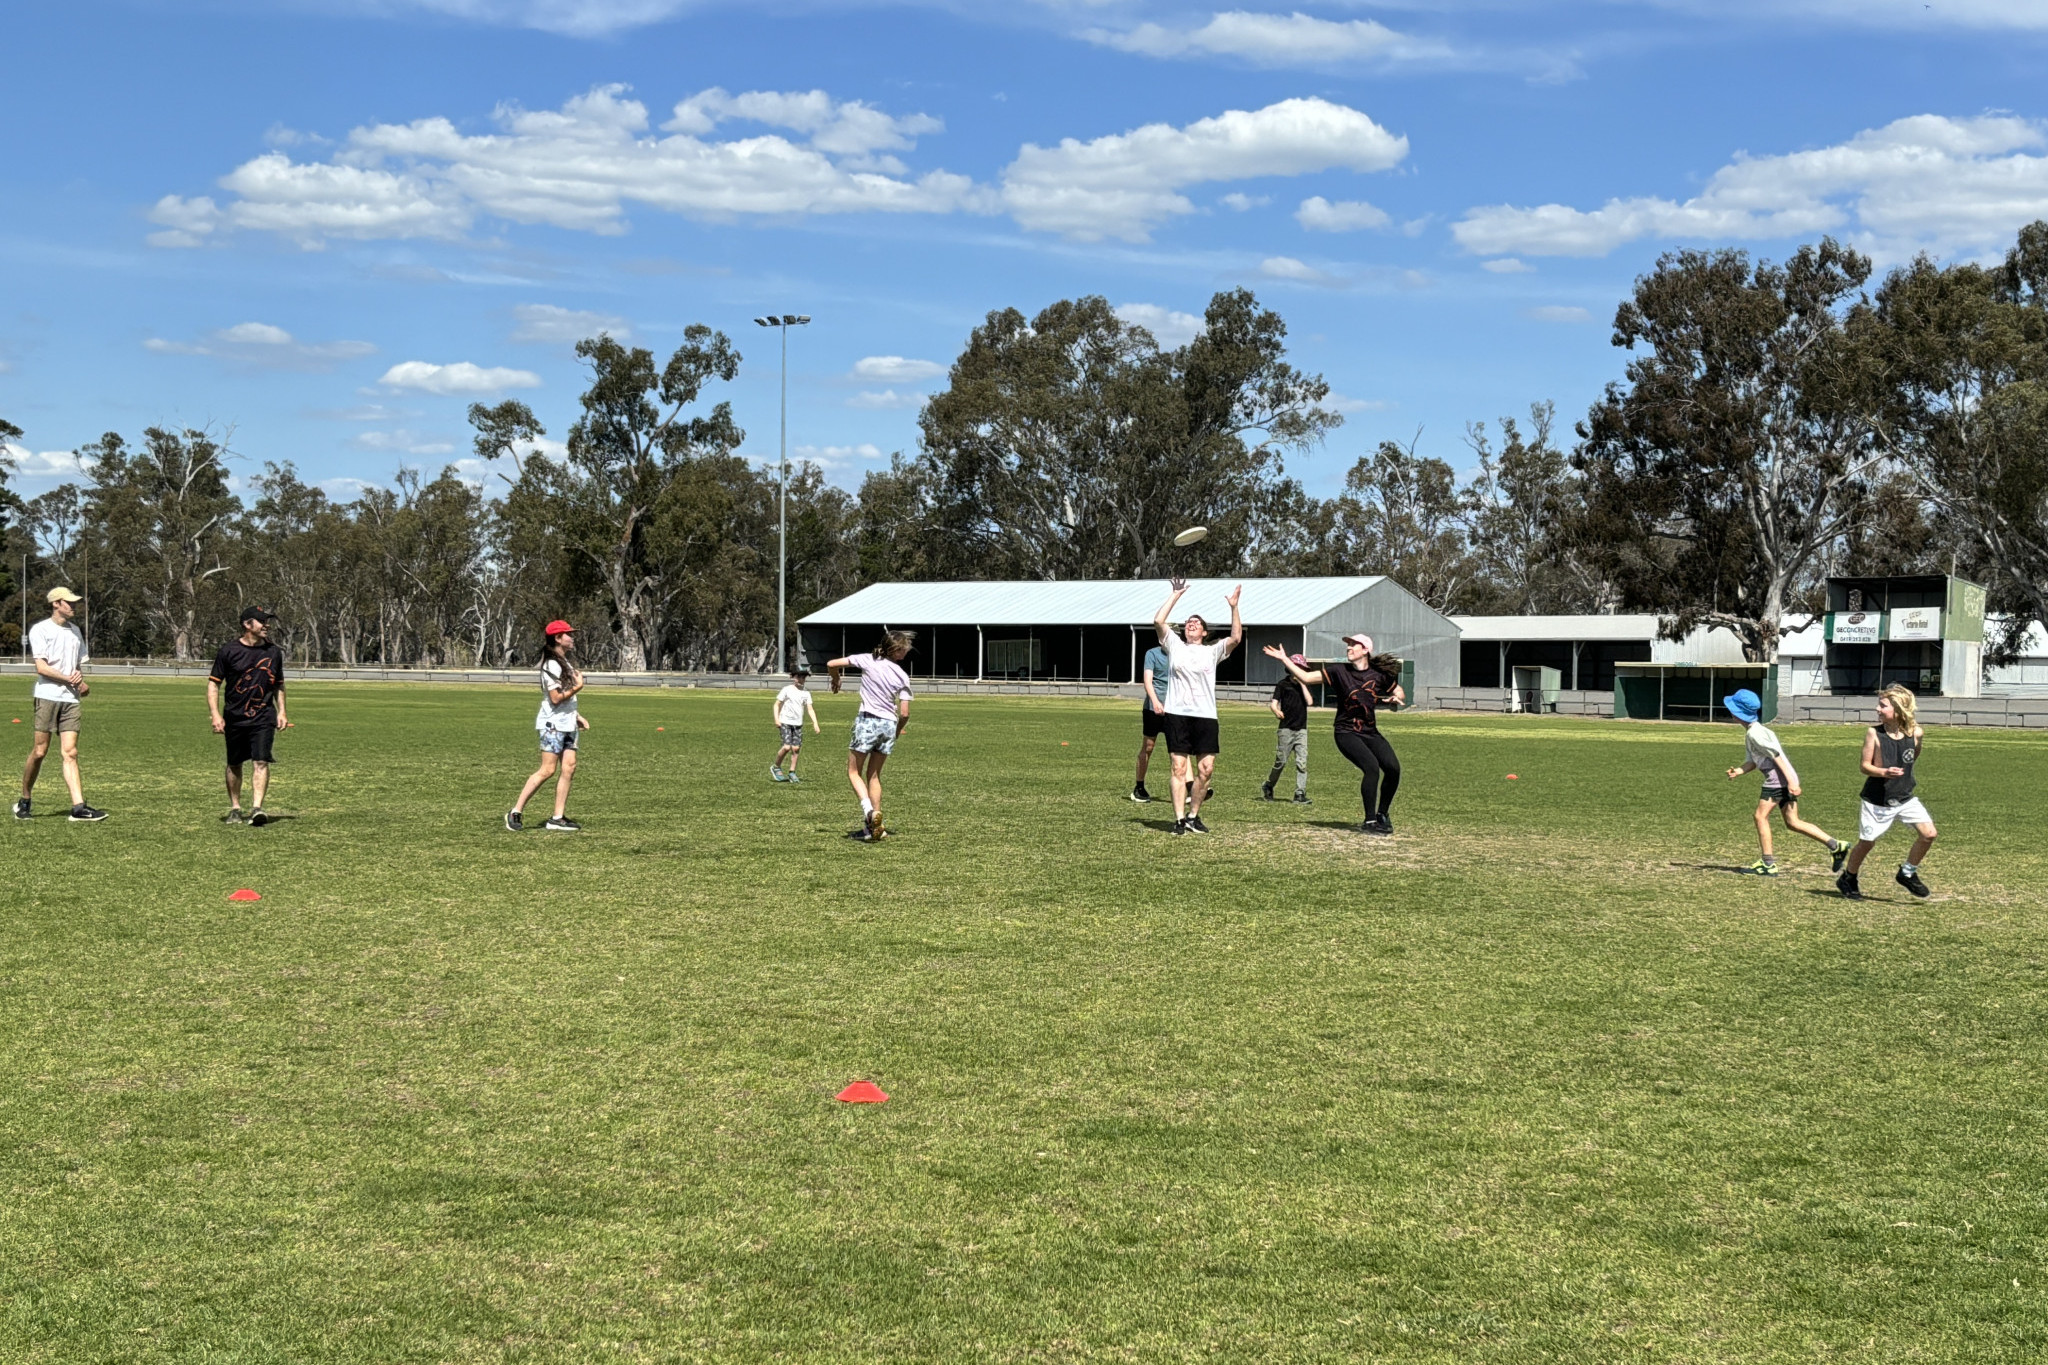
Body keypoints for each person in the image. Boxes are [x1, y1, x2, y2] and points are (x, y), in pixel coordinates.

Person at [1264, 634, 1404, 835]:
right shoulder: (1339, 671)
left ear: (1365, 650)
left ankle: (1382, 814)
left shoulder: (1379, 675)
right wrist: (1284, 659)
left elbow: (1400, 691)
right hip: (1346, 732)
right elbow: (1306, 677)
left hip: (1370, 732)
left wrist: (1393, 698)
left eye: (1353, 645)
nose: (1348, 648)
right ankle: (1370, 820)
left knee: (1393, 768)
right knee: (1372, 768)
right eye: (1347, 645)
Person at [1722, 688, 1848, 877]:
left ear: (1736, 713)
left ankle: (1768, 863)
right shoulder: (1755, 731)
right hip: (1784, 780)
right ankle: (1835, 845)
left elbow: (1777, 756)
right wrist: (1739, 771)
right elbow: (1753, 762)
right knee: (1793, 822)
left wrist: (1791, 783)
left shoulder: (1756, 734)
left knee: (1760, 817)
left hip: (1778, 781)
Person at [1153, 577, 1242, 835]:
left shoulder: (1212, 651)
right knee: (1179, 768)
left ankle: (1194, 816)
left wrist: (1234, 607)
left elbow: (1236, 637)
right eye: (1189, 623)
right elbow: (1159, 621)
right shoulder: (1174, 645)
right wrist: (1176, 595)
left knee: (1206, 769)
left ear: (1204, 632)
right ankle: (1179, 819)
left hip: (1205, 716)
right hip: (1177, 715)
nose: (1192, 624)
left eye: (1198, 623)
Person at [1837, 685, 1937, 900]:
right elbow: (1864, 766)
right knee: (1867, 842)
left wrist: (1899, 773)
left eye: (1883, 706)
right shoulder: (1874, 733)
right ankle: (1848, 877)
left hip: (1905, 797)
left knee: (1929, 834)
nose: (1877, 709)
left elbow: (1912, 756)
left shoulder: (1916, 733)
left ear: (1899, 709)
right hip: (1878, 800)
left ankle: (1907, 873)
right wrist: (1884, 771)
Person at [17, 586, 106, 822]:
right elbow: (42, 667)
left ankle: (79, 808)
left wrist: (81, 682)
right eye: (69, 602)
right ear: (56, 603)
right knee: (39, 751)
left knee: (70, 752)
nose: (73, 606)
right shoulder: (41, 629)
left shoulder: (75, 631)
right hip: (47, 696)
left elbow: (76, 666)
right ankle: (24, 800)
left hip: (70, 700)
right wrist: (69, 679)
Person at [827, 631, 915, 842]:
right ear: (897, 651)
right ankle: (877, 829)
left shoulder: (867, 659)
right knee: (874, 775)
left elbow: (831, 663)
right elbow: (904, 713)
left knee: (853, 772)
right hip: (888, 724)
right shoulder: (902, 675)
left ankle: (870, 814)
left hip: (868, 720)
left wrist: (836, 679)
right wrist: (895, 732)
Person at [208, 607, 290, 826]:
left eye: (267, 622)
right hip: (235, 716)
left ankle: (257, 808)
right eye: (262, 621)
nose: (267, 625)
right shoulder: (228, 651)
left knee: (261, 761)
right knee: (234, 763)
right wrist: (215, 715)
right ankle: (235, 808)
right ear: (247, 624)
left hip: (264, 716)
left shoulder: (274, 652)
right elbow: (214, 684)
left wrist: (281, 711)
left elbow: (279, 685)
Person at [507, 620, 588, 832]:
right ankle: (515, 811)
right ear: (557, 638)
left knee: (569, 766)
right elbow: (554, 698)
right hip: (553, 725)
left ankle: (557, 818)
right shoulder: (551, 664)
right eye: (568, 634)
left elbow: (564, 698)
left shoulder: (564, 662)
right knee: (548, 770)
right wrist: (578, 687)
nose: (572, 637)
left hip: (567, 723)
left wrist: (576, 715)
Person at [1262, 651, 1313, 804]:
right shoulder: (1282, 684)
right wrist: (1276, 711)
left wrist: (1303, 684)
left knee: (1301, 763)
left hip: (1301, 730)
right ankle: (1269, 785)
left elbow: (1310, 702)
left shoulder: (1305, 685)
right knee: (1281, 761)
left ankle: (1300, 794)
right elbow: (1273, 703)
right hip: (1286, 729)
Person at [1130, 637, 1171, 803]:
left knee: (1178, 749)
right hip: (1153, 707)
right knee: (1148, 746)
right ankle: (1139, 787)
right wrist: (1155, 701)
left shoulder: (1181, 653)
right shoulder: (1152, 654)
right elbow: (1148, 680)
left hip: (1175, 709)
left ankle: (1188, 788)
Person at [771, 666, 821, 781]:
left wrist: (815, 723)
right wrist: (776, 719)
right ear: (794, 677)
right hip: (785, 722)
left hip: (798, 724)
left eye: (803, 677)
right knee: (787, 747)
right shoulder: (787, 689)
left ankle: (792, 772)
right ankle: (776, 767)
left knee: (796, 748)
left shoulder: (806, 693)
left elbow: (810, 709)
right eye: (799, 676)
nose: (801, 679)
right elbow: (776, 704)